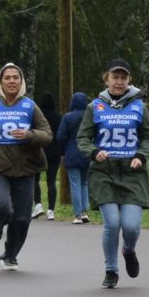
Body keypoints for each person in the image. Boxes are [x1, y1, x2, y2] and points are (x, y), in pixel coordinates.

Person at [77, 60, 149, 288]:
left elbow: (148, 136)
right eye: (115, 77)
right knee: (112, 223)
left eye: (123, 78)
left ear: (129, 81)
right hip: (104, 172)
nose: (119, 82)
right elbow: (82, 137)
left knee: (130, 226)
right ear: (106, 79)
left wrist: (142, 154)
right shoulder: (95, 107)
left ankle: (128, 250)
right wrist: (94, 152)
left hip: (132, 172)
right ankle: (111, 269)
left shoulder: (139, 106)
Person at [0, 63, 52, 270]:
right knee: (3, 206)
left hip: (25, 166)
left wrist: (30, 135)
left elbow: (47, 134)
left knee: (22, 217)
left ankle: (10, 254)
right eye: (8, 78)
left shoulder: (29, 106)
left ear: (21, 81)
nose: (12, 81)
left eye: (16, 77)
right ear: (1, 82)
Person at [55, 91, 92, 224]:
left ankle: (77, 215)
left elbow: (61, 136)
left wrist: (62, 152)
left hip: (71, 152)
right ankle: (85, 212)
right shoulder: (90, 116)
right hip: (87, 152)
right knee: (84, 182)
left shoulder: (68, 117)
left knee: (75, 184)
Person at [33, 91, 62, 220]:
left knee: (35, 179)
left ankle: (38, 204)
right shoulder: (58, 117)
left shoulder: (37, 116)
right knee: (51, 181)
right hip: (54, 150)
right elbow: (61, 135)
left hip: (38, 149)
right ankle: (51, 210)